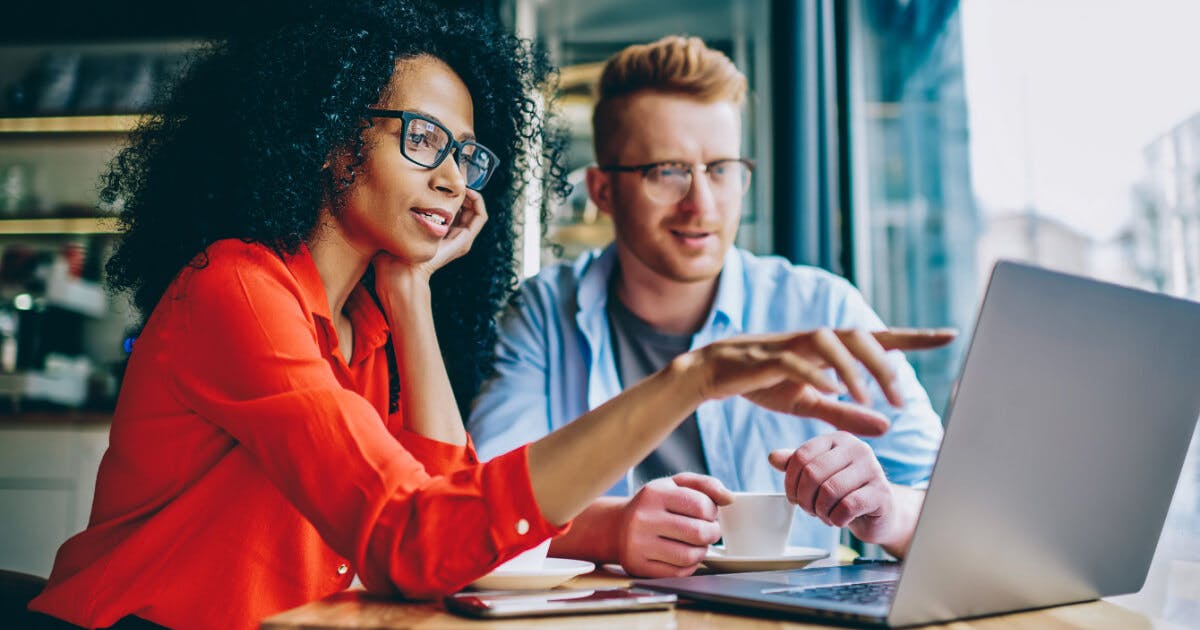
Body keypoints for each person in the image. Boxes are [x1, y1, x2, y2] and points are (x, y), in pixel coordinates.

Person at [27, 6, 949, 627]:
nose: (450, 177)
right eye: (421, 139)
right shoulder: (238, 291)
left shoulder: (370, 323)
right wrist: (691, 380)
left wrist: (413, 292)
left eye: (465, 153)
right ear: (329, 140)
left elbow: (447, 523)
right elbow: (417, 538)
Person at [467, 35, 950, 578]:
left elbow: (955, 505)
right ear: (602, 191)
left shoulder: (821, 306)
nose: (702, 203)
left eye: (721, 169)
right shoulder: (543, 313)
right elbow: (480, 506)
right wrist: (612, 528)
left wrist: (886, 512)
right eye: (667, 171)